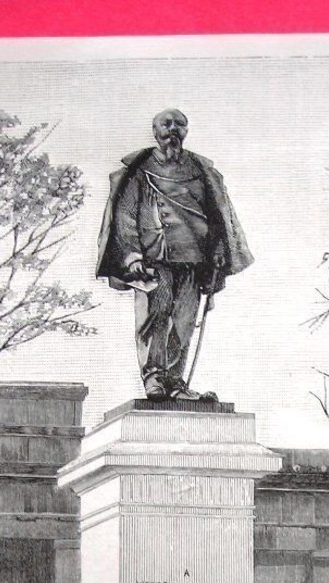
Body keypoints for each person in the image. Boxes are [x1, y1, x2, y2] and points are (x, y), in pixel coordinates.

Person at [97, 108, 253, 402]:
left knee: (184, 321)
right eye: (166, 124)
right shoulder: (140, 169)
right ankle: (154, 377)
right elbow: (126, 215)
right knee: (155, 317)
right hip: (154, 258)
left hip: (194, 259)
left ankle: (176, 382)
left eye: (179, 124)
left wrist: (219, 249)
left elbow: (216, 215)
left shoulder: (201, 170)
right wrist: (132, 256)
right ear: (155, 131)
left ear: (186, 131)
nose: (172, 129)